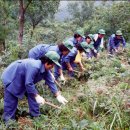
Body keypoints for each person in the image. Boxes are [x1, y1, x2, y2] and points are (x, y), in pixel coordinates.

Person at [1, 51, 68, 123]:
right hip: (12, 77)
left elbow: (50, 82)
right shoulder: (34, 66)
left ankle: (35, 116)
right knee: (12, 100)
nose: (52, 67)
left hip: (24, 79)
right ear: (47, 62)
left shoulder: (46, 69)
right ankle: (9, 123)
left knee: (32, 94)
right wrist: (36, 96)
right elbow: (29, 83)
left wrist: (58, 95)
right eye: (52, 65)